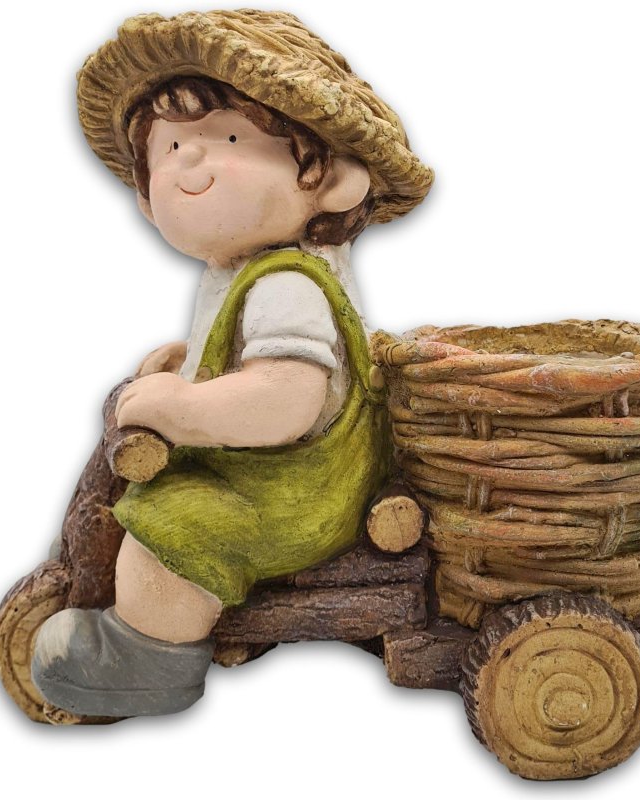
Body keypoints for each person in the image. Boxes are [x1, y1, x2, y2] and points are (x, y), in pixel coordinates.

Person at [31, 9, 433, 718]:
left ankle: (146, 659)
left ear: (332, 180)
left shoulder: (287, 286)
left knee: (172, 527)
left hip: (298, 489)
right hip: (266, 473)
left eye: (231, 138)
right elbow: (246, 355)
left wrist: (184, 408)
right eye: (170, 145)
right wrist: (189, 366)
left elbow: (285, 399)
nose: (189, 160)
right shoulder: (240, 274)